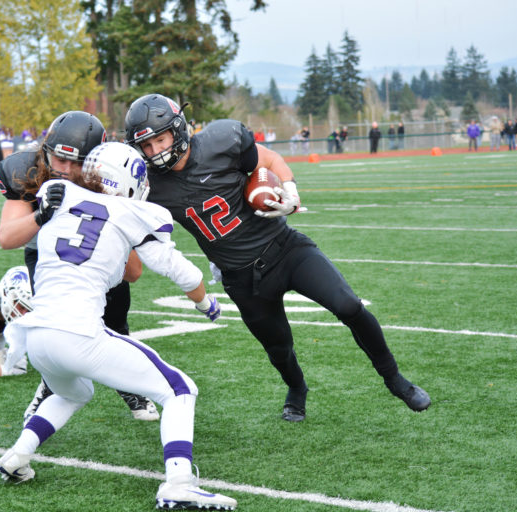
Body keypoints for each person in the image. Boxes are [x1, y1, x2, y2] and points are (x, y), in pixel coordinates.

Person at [124, 94, 430, 422]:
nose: (156, 152)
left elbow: (270, 160)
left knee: (349, 306)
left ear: (178, 130)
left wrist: (291, 190)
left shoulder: (220, 142)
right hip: (241, 277)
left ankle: (395, 379)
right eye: (148, 145)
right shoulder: (149, 187)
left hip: (285, 249)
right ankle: (297, 389)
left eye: (160, 139)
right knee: (278, 348)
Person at [0, 142, 235, 511]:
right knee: (180, 389)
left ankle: (17, 456)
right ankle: (179, 483)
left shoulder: (55, 194)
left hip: (37, 334)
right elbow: (174, 268)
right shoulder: (133, 211)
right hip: (78, 331)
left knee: (75, 393)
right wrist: (205, 302)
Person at [0, 111, 158, 422]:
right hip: (46, 252)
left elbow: (133, 272)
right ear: (46, 151)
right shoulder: (25, 170)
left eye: (77, 162)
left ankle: (126, 383)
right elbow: (6, 238)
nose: (67, 170)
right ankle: (48, 387)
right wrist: (40, 215)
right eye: (59, 159)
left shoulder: (108, 176)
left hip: (97, 252)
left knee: (115, 315)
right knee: (56, 323)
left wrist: (115, 224)